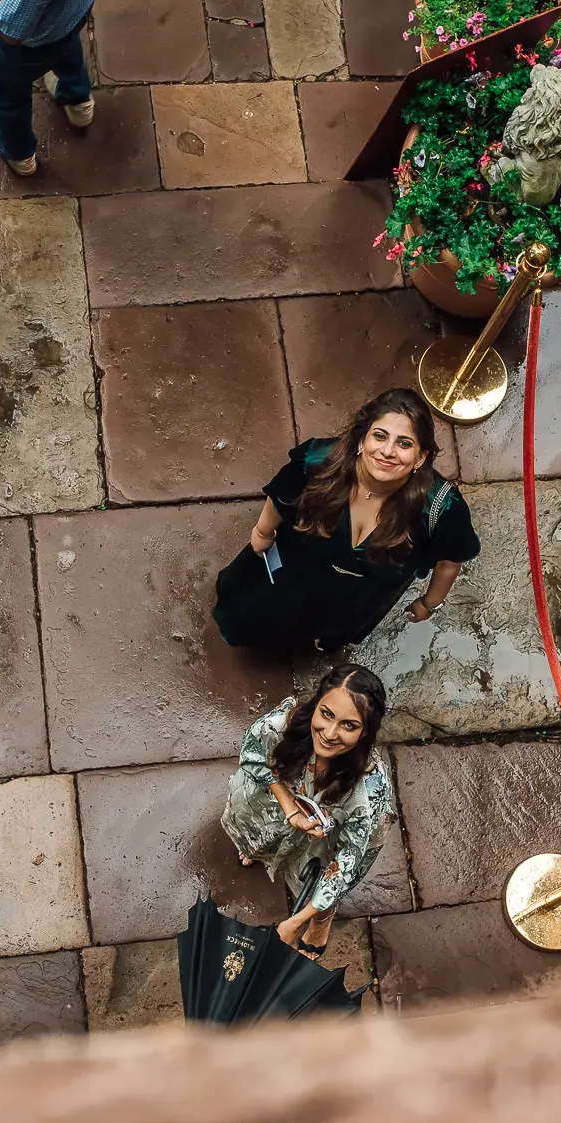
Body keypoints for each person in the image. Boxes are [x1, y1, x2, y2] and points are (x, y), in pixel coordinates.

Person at [213, 389, 480, 654]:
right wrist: (263, 531)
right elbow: (281, 496)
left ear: (420, 458)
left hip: (357, 594)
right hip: (297, 565)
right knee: (250, 614)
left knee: (322, 635)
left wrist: (428, 603)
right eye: (380, 436)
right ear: (362, 440)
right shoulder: (318, 463)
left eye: (404, 443)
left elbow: (449, 562)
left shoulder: (441, 508)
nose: (387, 451)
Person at [221, 665, 395, 957]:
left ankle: (320, 921)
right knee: (258, 835)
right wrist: (290, 807)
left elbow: (345, 861)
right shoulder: (282, 724)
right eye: (326, 714)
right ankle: (260, 849)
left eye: (348, 725)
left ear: (365, 732)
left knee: (313, 883)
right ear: (316, 705)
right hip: (277, 807)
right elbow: (252, 754)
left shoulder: (369, 792)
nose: (329, 734)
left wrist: (296, 921)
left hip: (327, 843)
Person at [0, 0, 101, 177]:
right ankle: (77, 101)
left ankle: (19, 155)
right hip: (75, 7)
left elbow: (9, 30)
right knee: (66, 44)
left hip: (26, 46)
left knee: (7, 93)